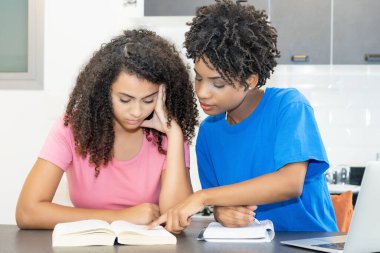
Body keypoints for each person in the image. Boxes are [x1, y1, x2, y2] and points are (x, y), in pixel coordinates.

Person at [150, 0, 338, 233]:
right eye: (198, 78)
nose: (202, 92)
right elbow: (223, 202)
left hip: (310, 243)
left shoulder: (288, 106)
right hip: (252, 245)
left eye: (217, 83)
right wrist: (221, 212)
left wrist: (203, 197)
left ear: (249, 81)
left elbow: (290, 183)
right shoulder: (209, 132)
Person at [16, 29, 198, 230]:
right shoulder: (73, 129)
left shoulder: (168, 135)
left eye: (148, 100)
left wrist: (174, 134)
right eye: (125, 100)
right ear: (104, 92)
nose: (137, 112)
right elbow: (27, 212)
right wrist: (118, 217)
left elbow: (176, 221)